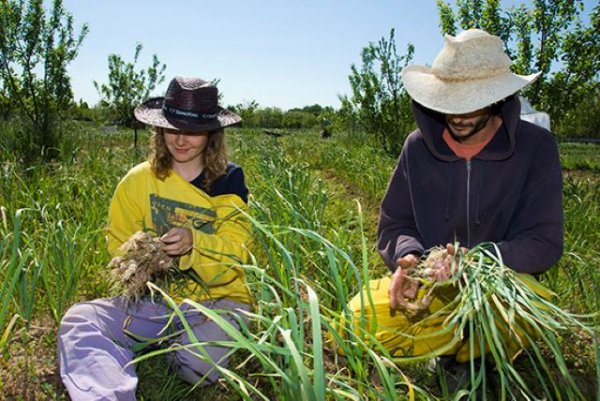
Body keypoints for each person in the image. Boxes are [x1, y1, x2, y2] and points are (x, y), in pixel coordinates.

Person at [343, 29, 563, 392]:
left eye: (470, 102)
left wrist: (477, 262)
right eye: (449, 102)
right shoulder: (417, 147)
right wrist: (410, 260)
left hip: (500, 285)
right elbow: (395, 223)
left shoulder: (535, 147)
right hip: (434, 288)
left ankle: (473, 353)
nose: (457, 115)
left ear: (497, 98)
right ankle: (452, 346)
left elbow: (543, 241)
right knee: (357, 318)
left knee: (526, 316)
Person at [58, 77, 253, 400]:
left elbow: (234, 258)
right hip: (155, 303)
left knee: (196, 365)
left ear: (211, 135)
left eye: (193, 132)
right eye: (173, 128)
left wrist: (193, 243)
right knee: (81, 321)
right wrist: (141, 256)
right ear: (160, 130)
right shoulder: (138, 180)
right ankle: (109, 392)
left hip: (218, 302)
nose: (181, 140)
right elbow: (117, 248)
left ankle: (168, 347)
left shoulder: (228, 181)